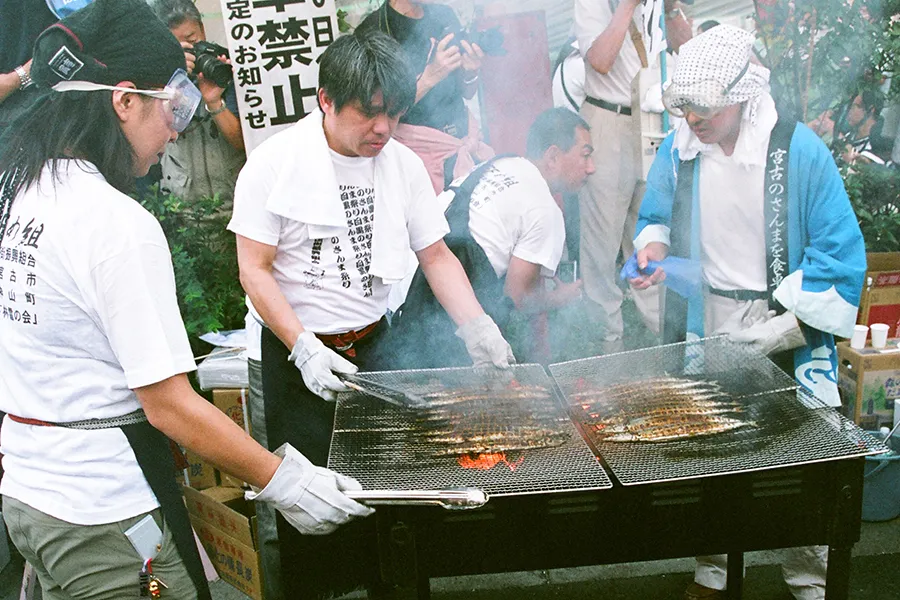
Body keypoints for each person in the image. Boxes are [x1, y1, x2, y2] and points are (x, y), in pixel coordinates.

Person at [0, 2, 374, 599]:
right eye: (170, 107)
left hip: (29, 493)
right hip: (105, 508)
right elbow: (168, 405)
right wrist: (286, 481)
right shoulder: (114, 223)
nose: (176, 128)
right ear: (124, 100)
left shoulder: (20, 186)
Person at [228, 29, 513, 598]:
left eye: (395, 114)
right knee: (312, 499)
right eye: (369, 113)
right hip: (295, 355)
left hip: (375, 344)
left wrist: (477, 326)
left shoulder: (401, 164)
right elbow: (253, 269)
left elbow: (435, 254)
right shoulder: (272, 165)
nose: (383, 129)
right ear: (326, 100)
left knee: (395, 489)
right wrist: (303, 346)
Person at [627, 25, 866, 600]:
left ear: (743, 95)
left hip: (783, 318)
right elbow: (654, 215)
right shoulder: (680, 147)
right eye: (685, 106)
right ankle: (714, 570)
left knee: (800, 454)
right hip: (706, 316)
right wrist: (652, 251)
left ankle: (807, 575)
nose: (692, 119)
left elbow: (839, 249)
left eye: (704, 107)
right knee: (712, 450)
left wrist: (779, 334)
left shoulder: (796, 149)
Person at [392, 107, 592, 366]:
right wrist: (560, 298)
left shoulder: (500, 163)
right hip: (430, 305)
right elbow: (517, 298)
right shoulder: (545, 209)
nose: (591, 168)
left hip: (400, 293)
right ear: (553, 156)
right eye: (585, 156)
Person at [575, 0, 693, 354]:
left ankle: (666, 342)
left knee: (650, 231)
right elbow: (600, 60)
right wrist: (626, 7)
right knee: (601, 245)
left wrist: (672, 9)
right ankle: (607, 346)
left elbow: (687, 51)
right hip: (607, 120)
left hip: (652, 122)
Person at [356, 0, 492, 193]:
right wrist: (431, 76)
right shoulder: (373, 31)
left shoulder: (444, 15)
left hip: (466, 146)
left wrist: (471, 71)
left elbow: (466, 92)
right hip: (418, 163)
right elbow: (377, 114)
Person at [146, 0, 245, 207]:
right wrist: (173, 79)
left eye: (193, 40)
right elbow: (154, 137)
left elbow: (243, 143)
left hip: (234, 204)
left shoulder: (227, 67)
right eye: (179, 46)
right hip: (182, 208)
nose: (191, 51)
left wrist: (214, 100)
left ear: (203, 29)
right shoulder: (154, 77)